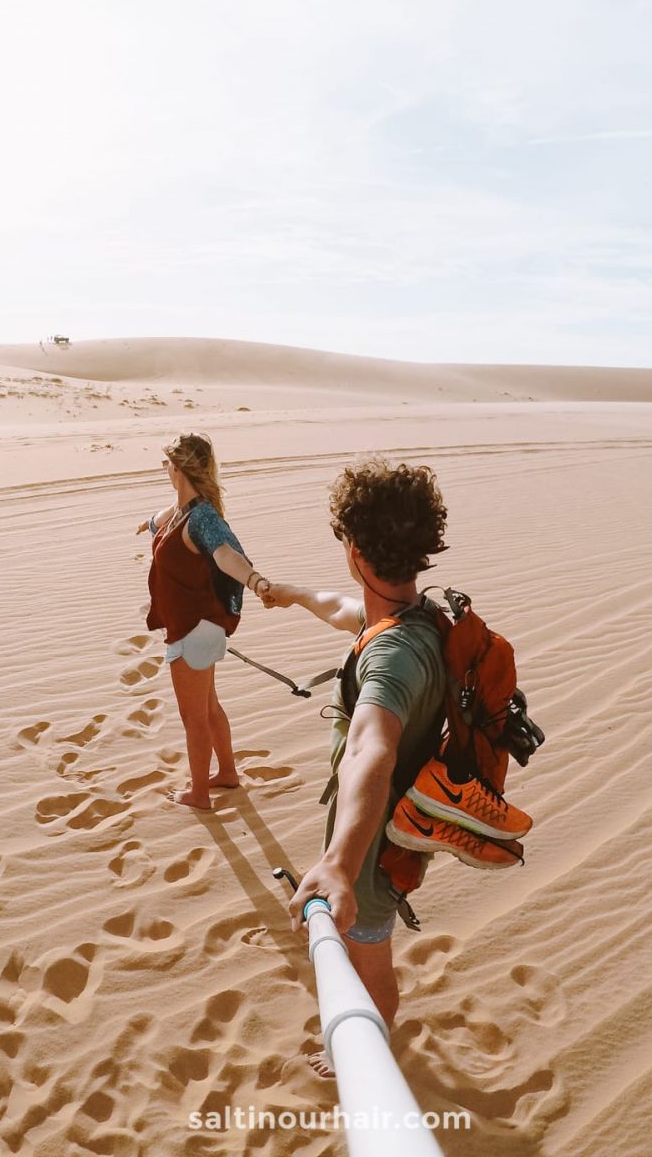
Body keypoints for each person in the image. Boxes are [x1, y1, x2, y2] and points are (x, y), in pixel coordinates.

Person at [261, 457, 461, 1069]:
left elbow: (371, 749)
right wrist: (290, 595)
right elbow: (346, 612)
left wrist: (342, 866)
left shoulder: (392, 660)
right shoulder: (415, 618)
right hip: (378, 833)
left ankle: (371, 1055)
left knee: (367, 952)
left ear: (352, 548)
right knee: (358, 943)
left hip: (372, 853)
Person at [138, 433, 270, 811]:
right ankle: (226, 773)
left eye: (167, 464)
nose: (165, 470)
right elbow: (167, 516)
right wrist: (147, 523)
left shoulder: (202, 519)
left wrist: (256, 581)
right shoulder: (186, 509)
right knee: (209, 707)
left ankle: (198, 794)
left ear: (177, 469)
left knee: (193, 716)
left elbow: (226, 554)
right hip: (196, 625)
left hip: (195, 628)